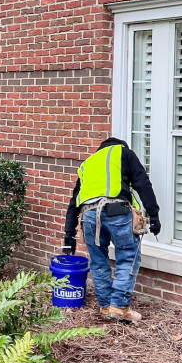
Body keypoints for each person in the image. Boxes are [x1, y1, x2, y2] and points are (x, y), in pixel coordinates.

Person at [63, 137, 160, 324]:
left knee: (98, 261)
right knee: (128, 256)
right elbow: (142, 183)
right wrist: (154, 216)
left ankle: (106, 306)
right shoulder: (123, 152)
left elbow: (74, 202)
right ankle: (119, 306)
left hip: (89, 216)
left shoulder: (87, 164)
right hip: (117, 212)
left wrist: (69, 236)